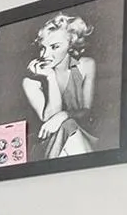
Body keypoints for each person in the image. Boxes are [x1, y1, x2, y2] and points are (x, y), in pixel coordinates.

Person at [22, 12, 97, 158]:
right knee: (68, 125)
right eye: (42, 48)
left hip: (82, 135)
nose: (45, 55)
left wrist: (64, 115)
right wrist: (50, 77)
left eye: (54, 47)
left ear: (71, 44)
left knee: (69, 125)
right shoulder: (30, 81)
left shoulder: (86, 65)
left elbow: (87, 112)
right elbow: (50, 119)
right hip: (47, 145)